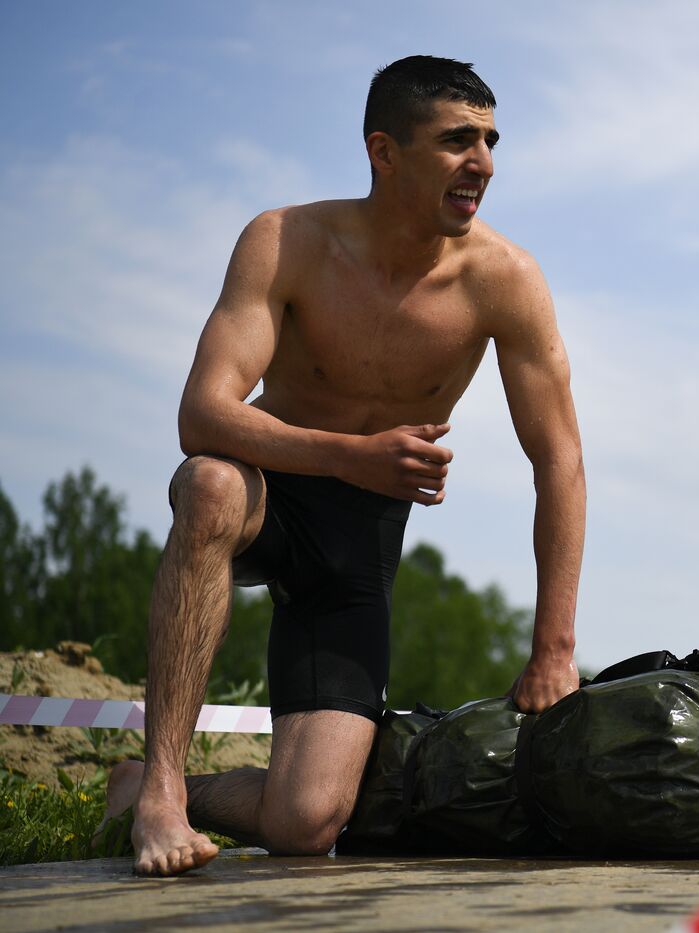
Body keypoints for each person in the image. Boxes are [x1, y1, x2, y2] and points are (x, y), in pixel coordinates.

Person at [100, 55, 586, 876]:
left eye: (491, 142)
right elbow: (202, 415)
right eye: (457, 140)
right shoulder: (287, 240)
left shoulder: (505, 280)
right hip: (266, 487)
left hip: (357, 542)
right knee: (209, 483)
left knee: (306, 822)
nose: (483, 163)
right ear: (384, 151)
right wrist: (350, 455)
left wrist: (555, 649)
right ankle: (160, 795)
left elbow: (560, 459)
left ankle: (137, 789)